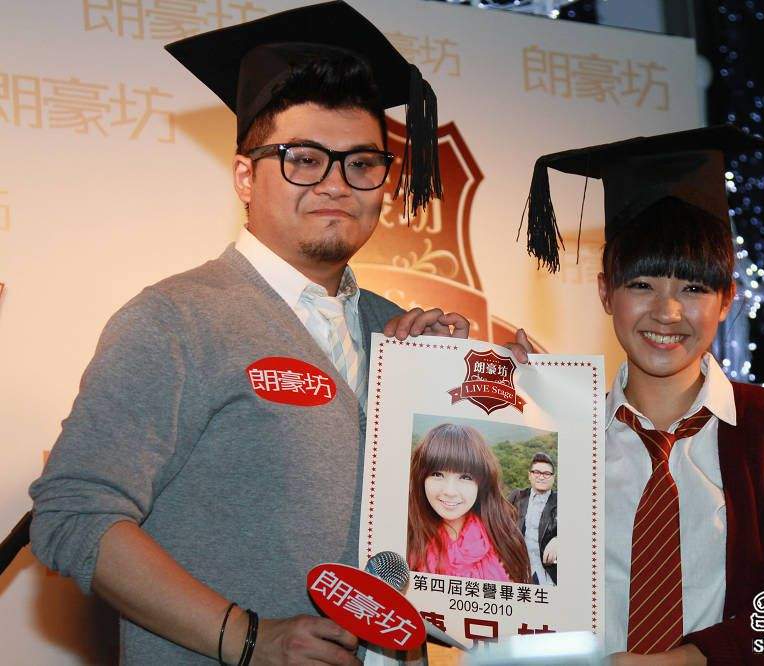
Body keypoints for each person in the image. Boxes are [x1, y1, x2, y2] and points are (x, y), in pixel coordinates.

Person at [27, 4, 536, 664]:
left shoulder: (399, 334)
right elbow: (73, 516)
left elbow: (439, 554)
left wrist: (524, 403)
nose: (336, 184)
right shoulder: (175, 320)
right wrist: (247, 637)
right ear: (245, 176)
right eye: (304, 159)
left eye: (362, 163)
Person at [521, 126, 764, 664]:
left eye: (693, 288)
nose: (667, 313)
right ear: (605, 292)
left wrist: (686, 660)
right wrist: (441, 373)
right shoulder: (564, 431)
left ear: (727, 299)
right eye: (642, 285)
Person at [407, 423, 530, 584]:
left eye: (465, 477)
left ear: (482, 483)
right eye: (437, 474)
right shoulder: (406, 536)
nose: (450, 491)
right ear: (421, 477)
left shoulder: (504, 539)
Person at [508, 452, 558, 585]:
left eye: (546, 474)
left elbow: (579, 528)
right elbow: (498, 522)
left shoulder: (561, 501)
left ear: (553, 477)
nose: (541, 477)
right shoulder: (517, 496)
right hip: (516, 569)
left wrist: (560, 540)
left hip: (548, 573)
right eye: (536, 472)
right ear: (529, 475)